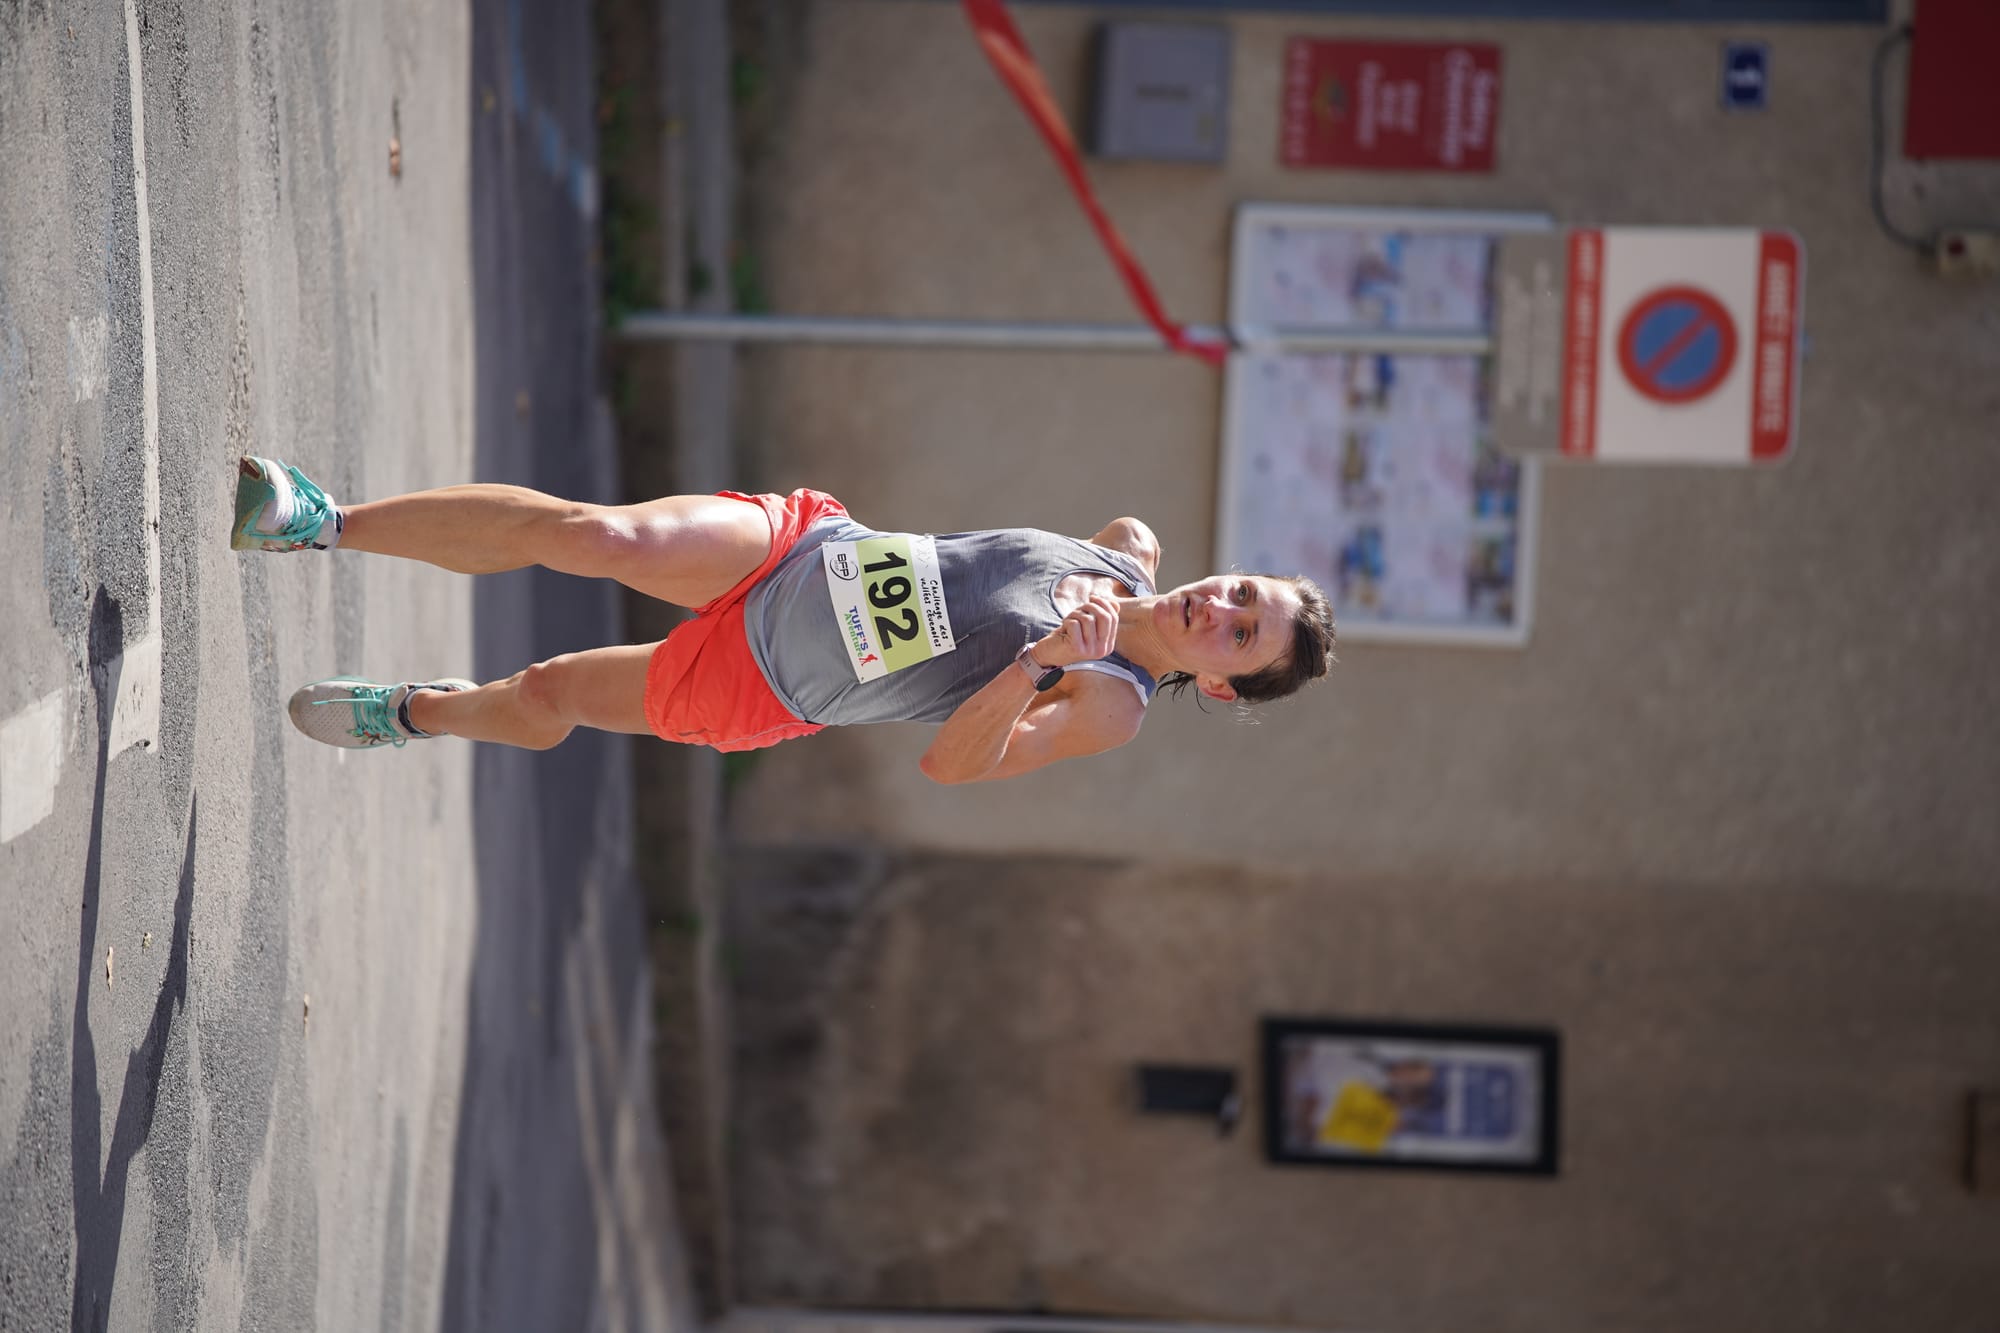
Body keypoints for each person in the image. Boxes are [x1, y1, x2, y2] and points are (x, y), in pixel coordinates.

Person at [230, 456, 1335, 783]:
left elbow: (952, 767)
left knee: (552, 690)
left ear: (1226, 684)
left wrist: (1036, 664)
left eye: (1242, 635)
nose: (1223, 608)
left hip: (776, 684)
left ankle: (418, 714)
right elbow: (996, 571)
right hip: (811, 551)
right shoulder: (1126, 544)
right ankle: (318, 522)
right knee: (593, 533)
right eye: (1244, 590)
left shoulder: (1109, 703)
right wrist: (1087, 595)